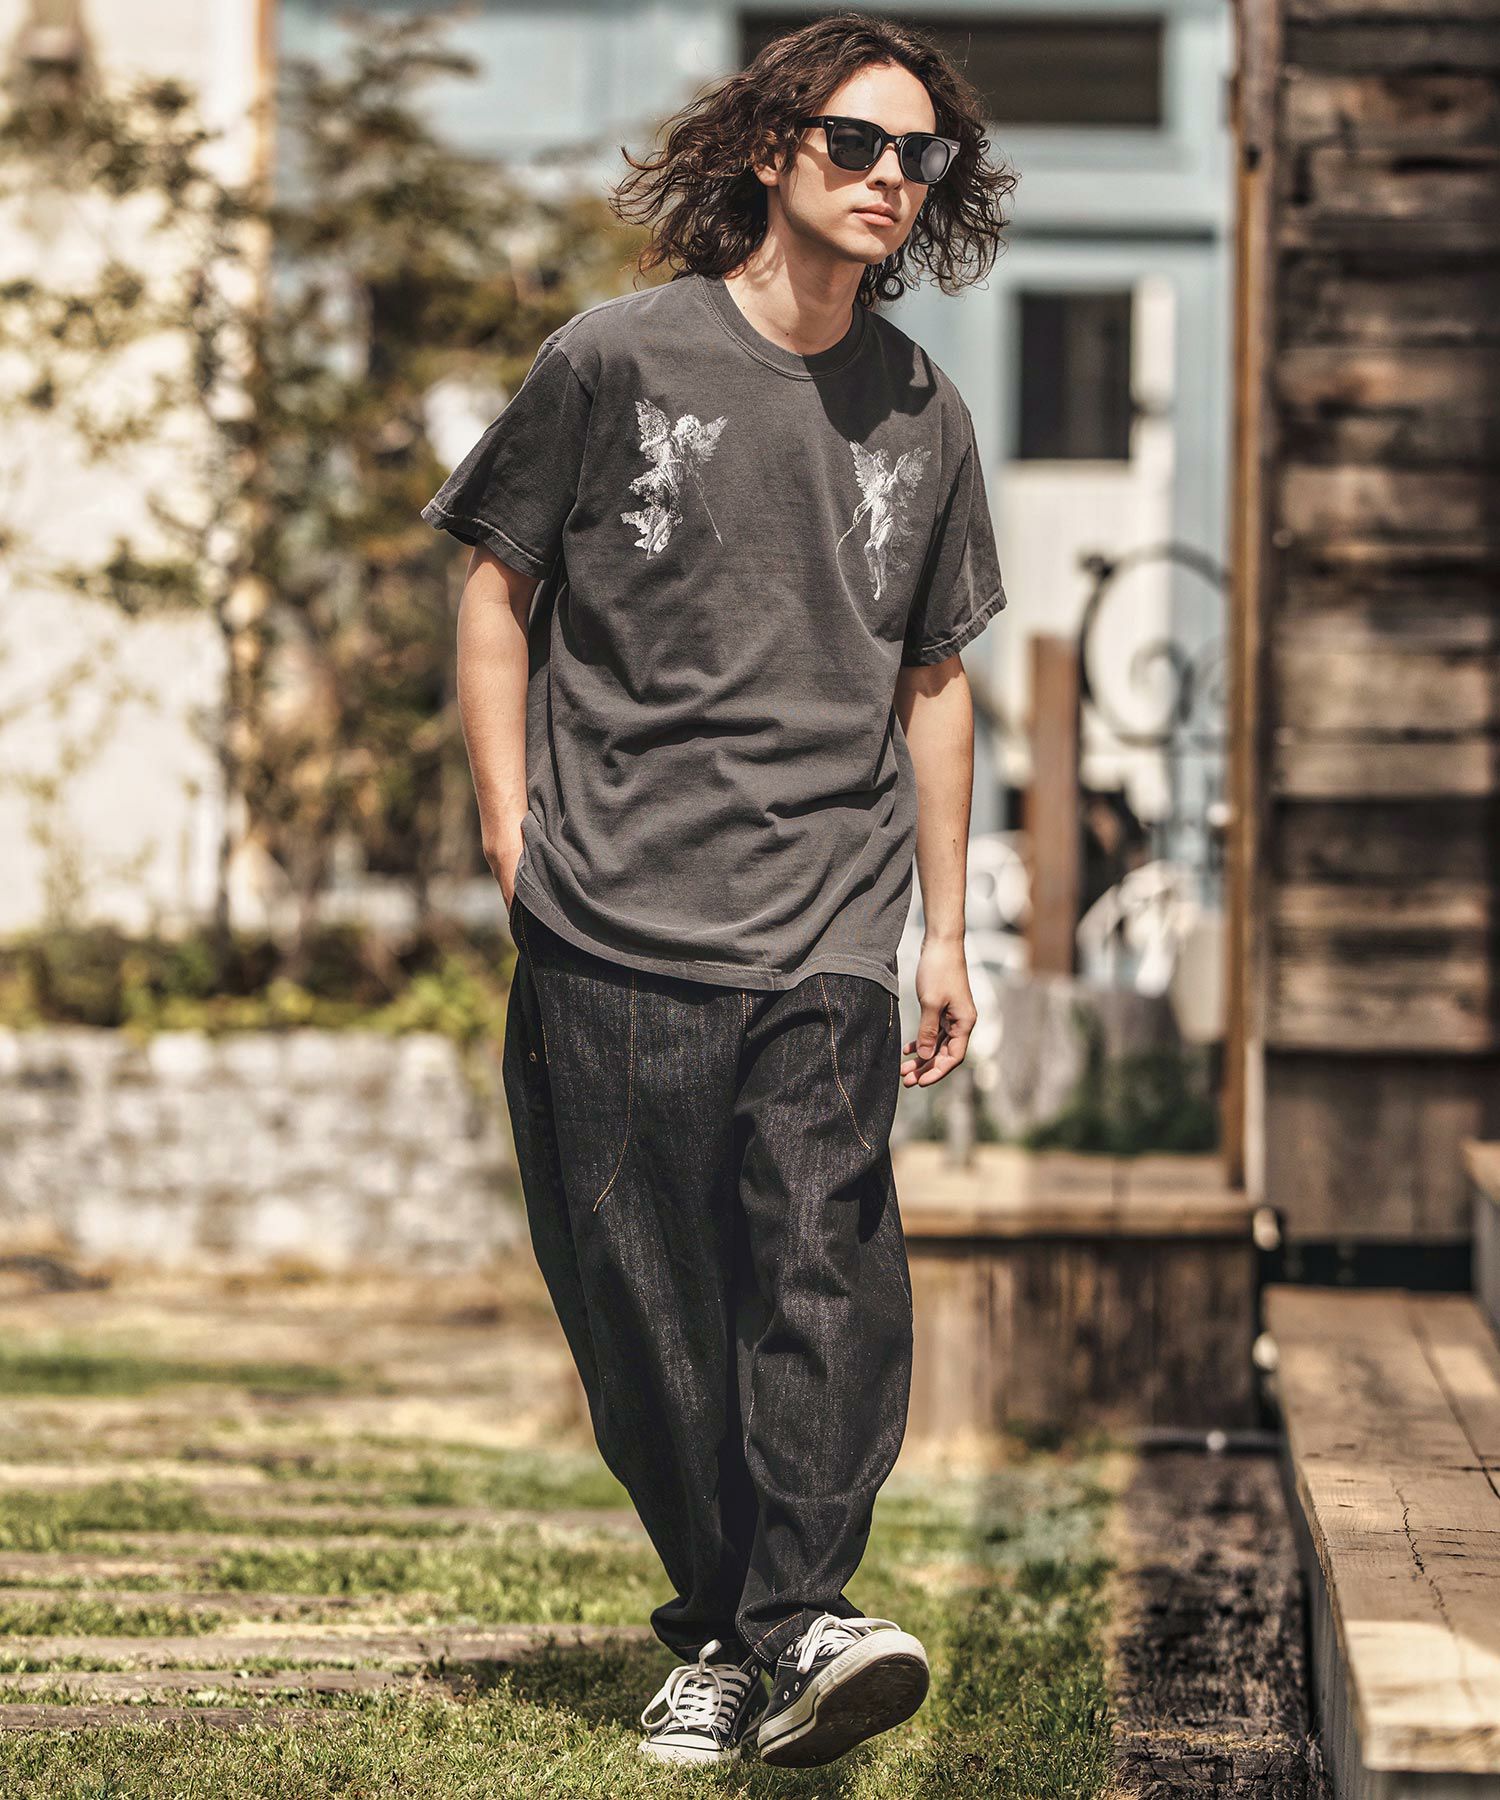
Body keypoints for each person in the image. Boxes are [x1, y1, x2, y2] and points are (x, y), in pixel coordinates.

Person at [421, 9, 1013, 1771]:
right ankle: (732, 1630)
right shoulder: (615, 359)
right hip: (612, 912)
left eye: (921, 156)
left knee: (826, 1266)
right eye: (857, 142)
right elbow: (493, 587)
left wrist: (947, 928)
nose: (892, 178)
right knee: (645, 1305)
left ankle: (805, 1616)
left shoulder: (924, 409)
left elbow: (936, 679)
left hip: (828, 915)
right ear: (773, 148)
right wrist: (510, 828)